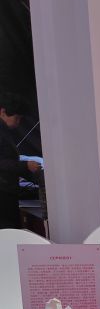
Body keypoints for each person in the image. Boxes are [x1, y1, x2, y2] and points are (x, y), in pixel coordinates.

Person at [0, 92, 40, 228]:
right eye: (16, 118)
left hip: (8, 191)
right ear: (3, 112)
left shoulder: (5, 131)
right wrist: (25, 165)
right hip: (3, 194)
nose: (18, 123)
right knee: (9, 231)